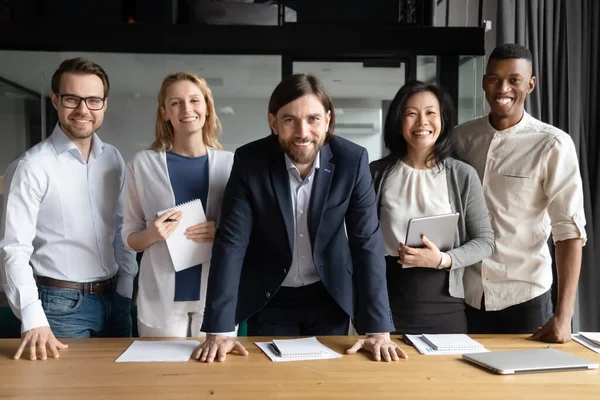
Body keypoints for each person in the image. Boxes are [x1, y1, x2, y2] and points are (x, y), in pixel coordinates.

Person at [194, 73, 406, 363]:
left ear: (328, 120)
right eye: (290, 119)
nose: (302, 132)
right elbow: (232, 243)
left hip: (330, 295)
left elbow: (366, 242)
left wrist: (378, 328)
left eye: (313, 119)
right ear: (273, 123)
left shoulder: (351, 161)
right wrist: (219, 329)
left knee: (326, 382)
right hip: (270, 297)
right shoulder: (250, 161)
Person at [0, 58, 138, 360]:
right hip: (60, 306)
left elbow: (121, 227)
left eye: (93, 100)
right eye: (72, 99)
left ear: (104, 104)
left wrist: (125, 286)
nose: (83, 110)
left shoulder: (113, 158)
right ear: (55, 100)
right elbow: (13, 249)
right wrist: (32, 318)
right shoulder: (32, 167)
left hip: (114, 301)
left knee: (120, 389)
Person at [455, 44, 586, 342]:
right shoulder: (461, 138)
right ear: (484, 82)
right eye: (494, 79)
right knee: (463, 387)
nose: (503, 88)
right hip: (465, 295)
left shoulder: (553, 144)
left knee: (525, 388)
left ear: (530, 84)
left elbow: (569, 232)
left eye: (514, 80)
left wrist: (564, 316)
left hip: (524, 297)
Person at [370, 81, 495, 334]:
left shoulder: (462, 174)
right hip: (387, 303)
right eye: (411, 114)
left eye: (430, 113)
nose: (422, 123)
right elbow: (361, 243)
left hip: (445, 304)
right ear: (399, 121)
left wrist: (443, 259)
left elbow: (485, 241)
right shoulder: (375, 174)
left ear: (443, 120)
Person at [122, 72, 235, 338]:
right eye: (176, 103)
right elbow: (128, 235)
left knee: (214, 378)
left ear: (207, 108)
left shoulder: (231, 165)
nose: (187, 109)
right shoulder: (142, 165)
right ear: (165, 113)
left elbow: (247, 232)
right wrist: (151, 235)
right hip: (160, 298)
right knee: (162, 378)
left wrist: (220, 232)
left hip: (215, 296)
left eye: (195, 100)